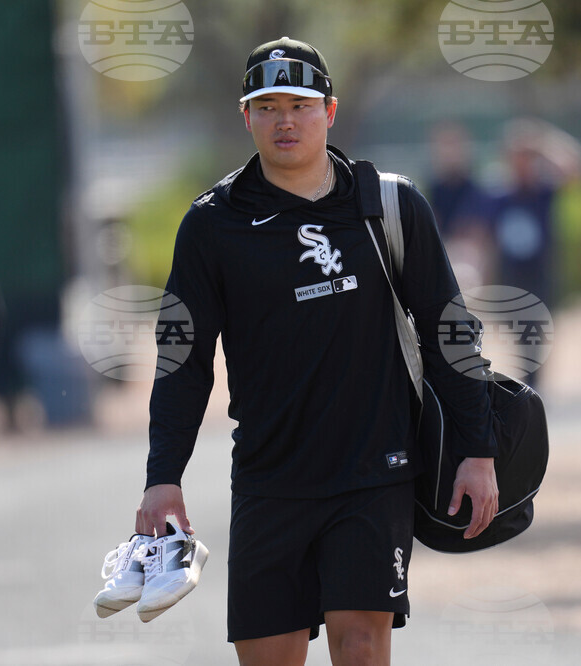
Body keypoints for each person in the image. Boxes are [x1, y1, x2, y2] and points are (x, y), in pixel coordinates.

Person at [135, 37, 498, 666]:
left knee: (359, 646)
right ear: (245, 116)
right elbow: (182, 360)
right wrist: (163, 476)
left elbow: (450, 329)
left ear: (329, 112)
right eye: (267, 106)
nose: (284, 121)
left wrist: (478, 447)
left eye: (300, 105)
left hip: (373, 473)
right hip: (268, 481)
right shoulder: (211, 225)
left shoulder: (387, 205)